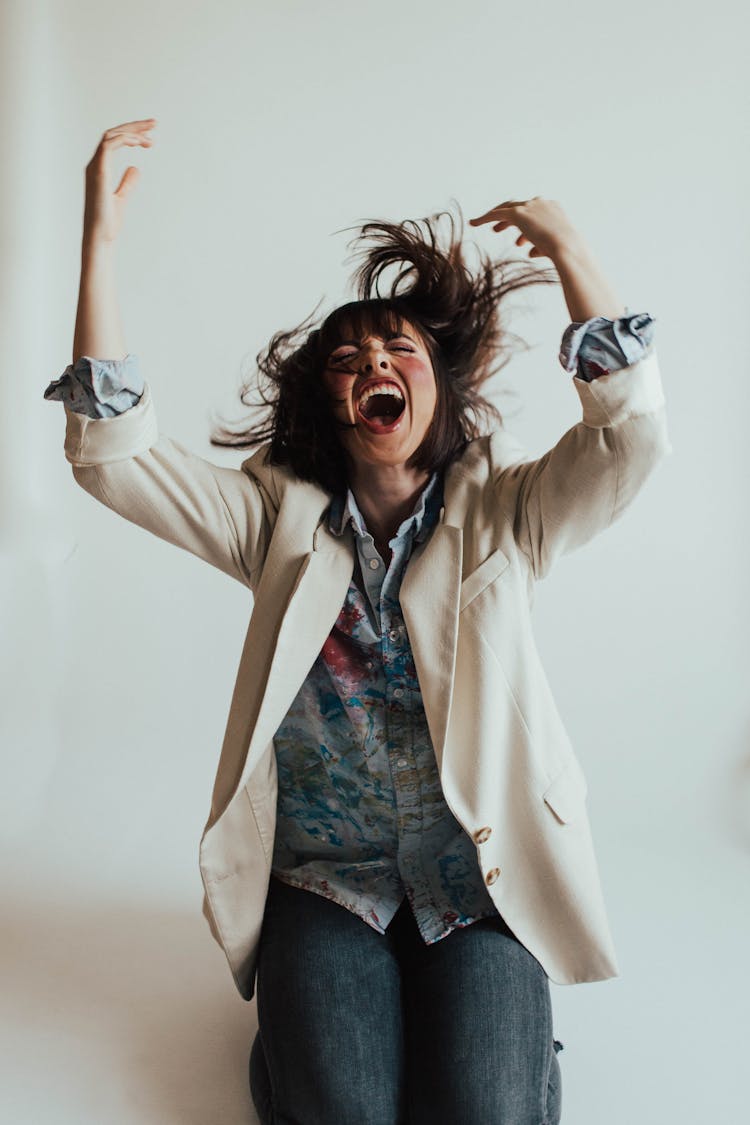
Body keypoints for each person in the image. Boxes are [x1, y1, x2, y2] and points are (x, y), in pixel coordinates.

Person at [45, 119, 669, 1125]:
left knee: (484, 1112)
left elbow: (629, 441)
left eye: (400, 349)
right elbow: (113, 459)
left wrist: (574, 256)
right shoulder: (273, 518)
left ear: (437, 385)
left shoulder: (507, 513)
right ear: (329, 399)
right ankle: (298, 1035)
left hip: (479, 880)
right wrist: (99, 245)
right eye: (347, 356)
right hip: (325, 882)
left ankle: (495, 1022)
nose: (373, 362)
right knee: (343, 1112)